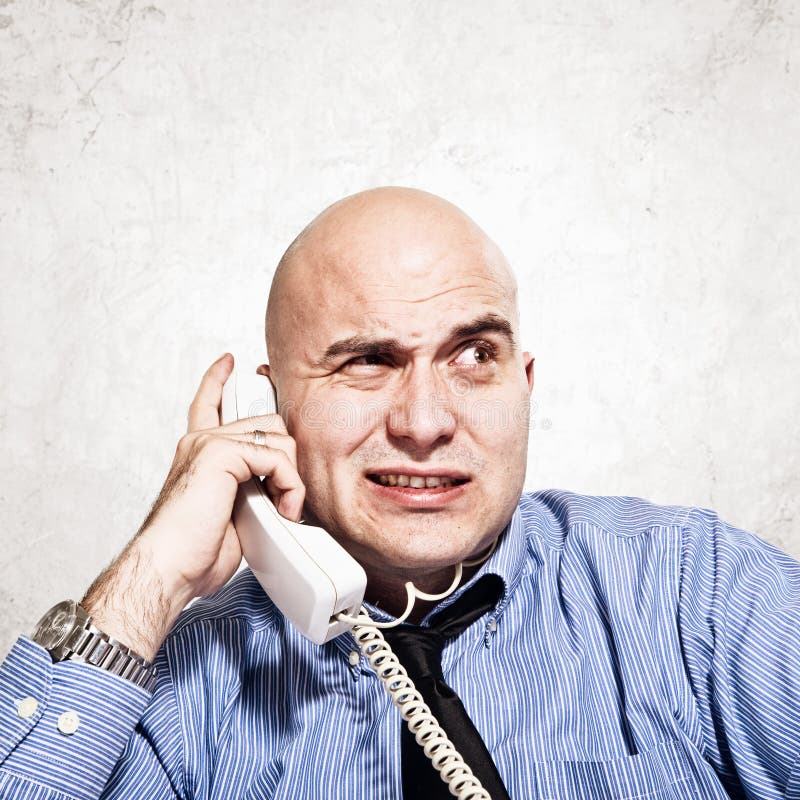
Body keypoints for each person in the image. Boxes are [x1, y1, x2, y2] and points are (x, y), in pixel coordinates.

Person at [1, 187, 798, 800]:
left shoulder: (695, 588)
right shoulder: (180, 688)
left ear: (523, 386)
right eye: (366, 361)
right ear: (271, 414)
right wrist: (150, 577)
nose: (424, 423)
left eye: (474, 354)